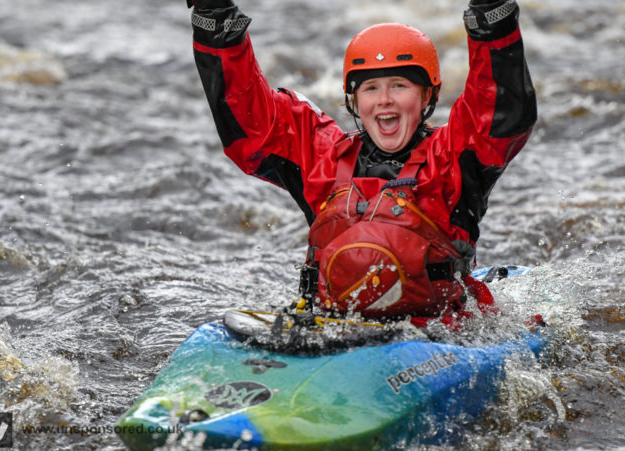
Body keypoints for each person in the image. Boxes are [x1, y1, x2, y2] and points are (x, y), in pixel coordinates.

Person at [186, 0, 537, 328]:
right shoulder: (322, 157)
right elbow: (251, 120)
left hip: (436, 334)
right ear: (354, 100)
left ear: (428, 95)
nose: (384, 100)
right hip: (333, 326)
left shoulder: (453, 157)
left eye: (400, 85)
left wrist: (492, 15)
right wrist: (216, 22)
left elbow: (499, 108)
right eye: (370, 88)